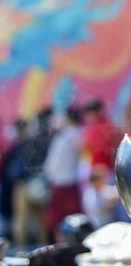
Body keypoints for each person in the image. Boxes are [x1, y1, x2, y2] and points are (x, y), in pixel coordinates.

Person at [44, 105, 83, 238]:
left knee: (64, 220)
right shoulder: (66, 135)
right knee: (60, 220)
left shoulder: (73, 134)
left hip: (67, 182)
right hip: (62, 182)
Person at [82, 99, 121, 170]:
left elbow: (88, 144)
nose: (89, 116)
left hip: (105, 164)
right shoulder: (106, 125)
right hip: (98, 163)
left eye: (91, 113)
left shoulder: (105, 126)